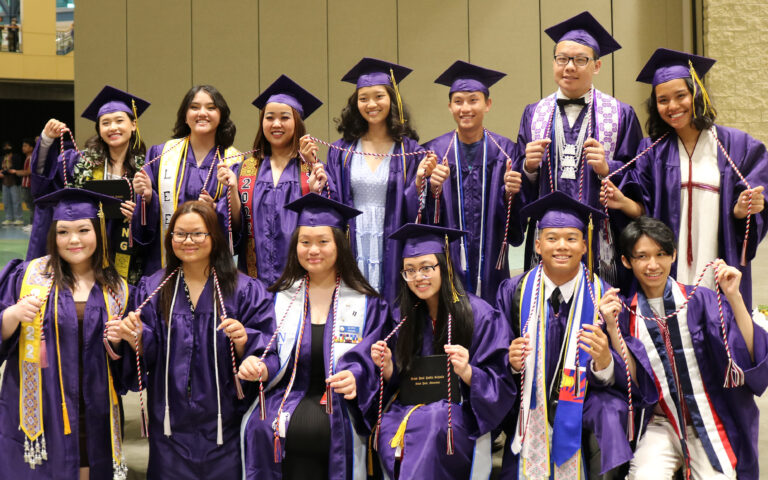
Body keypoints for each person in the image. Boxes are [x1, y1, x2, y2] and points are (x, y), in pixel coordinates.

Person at [496, 192, 652, 479]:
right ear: (538, 245)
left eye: (571, 238)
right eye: (552, 238)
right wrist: (511, 362)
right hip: (528, 406)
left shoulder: (605, 297)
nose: (561, 246)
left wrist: (605, 363)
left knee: (610, 410)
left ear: (584, 245)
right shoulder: (513, 292)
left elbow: (630, 381)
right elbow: (495, 357)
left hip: (584, 406)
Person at [238, 193, 393, 480]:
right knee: (261, 426)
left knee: (323, 432)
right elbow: (268, 351)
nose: (313, 250)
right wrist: (259, 366)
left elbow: (372, 360)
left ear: (340, 245)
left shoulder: (367, 303)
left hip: (342, 405)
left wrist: (356, 377)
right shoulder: (278, 299)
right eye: (305, 242)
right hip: (284, 397)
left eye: (323, 241)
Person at [599, 216, 768, 479]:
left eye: (661, 254)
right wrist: (611, 328)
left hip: (708, 419)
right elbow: (630, 380)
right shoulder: (625, 313)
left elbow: (747, 352)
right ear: (626, 261)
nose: (653, 264)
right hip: (660, 423)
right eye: (642, 256)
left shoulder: (701, 300)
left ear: (673, 255)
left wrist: (734, 296)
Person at [117, 200, 274, 479]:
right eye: (180, 234)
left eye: (197, 234)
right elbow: (146, 357)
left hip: (225, 422)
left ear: (214, 237)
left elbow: (267, 346)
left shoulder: (244, 290)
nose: (188, 241)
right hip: (169, 422)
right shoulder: (154, 288)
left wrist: (243, 341)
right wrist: (136, 337)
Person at [604, 49, 767, 309]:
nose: (673, 106)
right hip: (668, 267)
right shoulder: (651, 151)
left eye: (681, 96)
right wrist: (623, 202)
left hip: (716, 261)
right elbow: (646, 213)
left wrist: (741, 209)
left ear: (697, 94)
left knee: (717, 320)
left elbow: (752, 202)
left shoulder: (735, 146)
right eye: (663, 100)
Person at [363, 223, 515, 478]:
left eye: (426, 268)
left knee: (435, 422)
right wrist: (388, 368)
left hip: (461, 412)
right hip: (408, 410)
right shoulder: (402, 316)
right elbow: (402, 383)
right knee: (391, 426)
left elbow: (501, 380)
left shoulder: (480, 315)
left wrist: (468, 372)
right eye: (410, 270)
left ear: (444, 267)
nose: (418, 277)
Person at [0, 189, 132, 479]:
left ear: (98, 232)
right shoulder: (27, 276)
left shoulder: (117, 288)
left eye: (84, 230)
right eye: (63, 232)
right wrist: (12, 315)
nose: (73, 240)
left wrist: (126, 339)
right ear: (53, 235)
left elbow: (129, 363)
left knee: (89, 463)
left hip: (94, 402)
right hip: (42, 401)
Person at [516, 11, 643, 282]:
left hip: (600, 237)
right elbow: (520, 182)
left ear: (596, 66)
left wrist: (609, 168)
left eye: (580, 60)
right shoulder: (534, 113)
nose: (569, 67)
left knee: (600, 300)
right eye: (562, 59)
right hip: (549, 234)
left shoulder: (620, 114)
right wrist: (528, 167)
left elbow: (638, 176)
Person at [300, 57, 434, 302]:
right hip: (354, 239)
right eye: (363, 98)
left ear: (392, 100)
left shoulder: (410, 152)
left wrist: (419, 183)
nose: (371, 104)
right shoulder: (342, 151)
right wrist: (315, 175)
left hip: (392, 240)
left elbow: (419, 210)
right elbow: (334, 201)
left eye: (379, 96)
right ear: (356, 103)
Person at [418, 60, 524, 303]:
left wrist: (510, 194)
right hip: (447, 259)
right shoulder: (434, 152)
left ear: (488, 104)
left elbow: (515, 224)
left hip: (492, 259)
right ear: (450, 107)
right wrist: (432, 189)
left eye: (473, 100)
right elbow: (421, 215)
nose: (465, 108)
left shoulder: (506, 152)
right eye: (458, 101)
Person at [28, 86, 150, 284]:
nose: (113, 128)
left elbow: (156, 214)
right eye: (105, 123)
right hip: (84, 247)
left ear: (133, 125)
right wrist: (47, 140)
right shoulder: (77, 161)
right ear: (99, 129)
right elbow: (44, 185)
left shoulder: (148, 167)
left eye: (119, 121)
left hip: (126, 247)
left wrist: (139, 214)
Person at [216, 75, 324, 284]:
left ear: (297, 122)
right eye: (269, 117)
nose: (276, 124)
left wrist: (314, 191)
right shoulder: (244, 170)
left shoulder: (313, 170)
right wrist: (232, 189)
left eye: (284, 117)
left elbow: (327, 224)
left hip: (301, 283)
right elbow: (234, 227)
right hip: (254, 282)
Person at [132, 85, 242, 276]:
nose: (202, 113)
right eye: (194, 107)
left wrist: (216, 209)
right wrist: (148, 197)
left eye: (211, 107)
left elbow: (240, 224)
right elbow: (144, 219)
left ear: (221, 115)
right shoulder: (161, 155)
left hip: (212, 265)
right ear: (185, 115)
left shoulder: (235, 161)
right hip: (165, 261)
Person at [1, 140, 25, 225]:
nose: (7, 148)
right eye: (5, 146)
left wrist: (3, 172)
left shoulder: (16, 157)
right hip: (5, 182)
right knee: (6, 201)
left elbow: (15, 168)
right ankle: (9, 218)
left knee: (16, 201)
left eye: (9, 146)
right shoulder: (2, 157)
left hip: (14, 182)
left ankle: (19, 218)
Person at [19, 137, 34, 229]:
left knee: (32, 205)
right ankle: (32, 223)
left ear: (31, 147)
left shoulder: (31, 158)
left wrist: (16, 172)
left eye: (25, 146)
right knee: (30, 205)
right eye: (23, 146)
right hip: (26, 185)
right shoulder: (27, 158)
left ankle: (33, 224)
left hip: (30, 185)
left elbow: (29, 172)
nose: (23, 148)